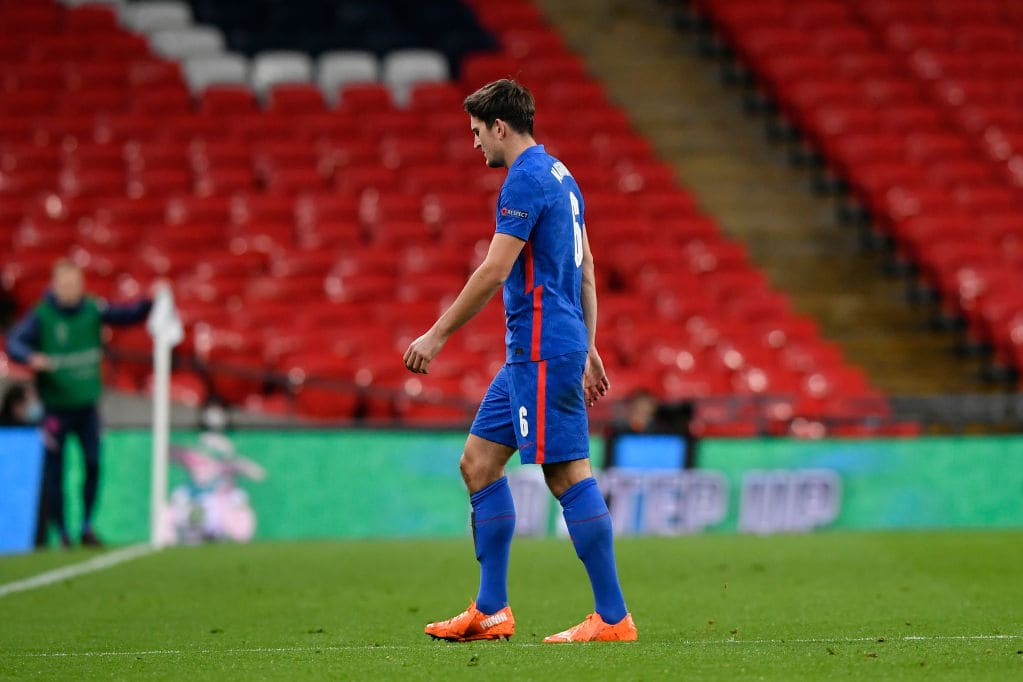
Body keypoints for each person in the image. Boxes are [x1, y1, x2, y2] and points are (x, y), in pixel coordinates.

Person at [403, 79, 636, 643]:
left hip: (542, 349)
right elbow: (585, 268)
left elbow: (494, 269)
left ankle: (612, 617)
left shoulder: (525, 179)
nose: (475, 143)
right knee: (478, 463)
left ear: (500, 127)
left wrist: (436, 335)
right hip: (536, 352)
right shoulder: (562, 175)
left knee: (566, 474)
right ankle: (491, 609)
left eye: (477, 132)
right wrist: (590, 346)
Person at [5, 259, 156, 548]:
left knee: (93, 463)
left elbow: (127, 315)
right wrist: (30, 357)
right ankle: (62, 532)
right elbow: (14, 343)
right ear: (54, 286)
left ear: (81, 285)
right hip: (55, 408)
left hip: (87, 406)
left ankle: (87, 525)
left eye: (73, 284)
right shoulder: (42, 315)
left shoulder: (92, 310)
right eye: (64, 284)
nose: (69, 290)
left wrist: (150, 300)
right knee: (55, 471)